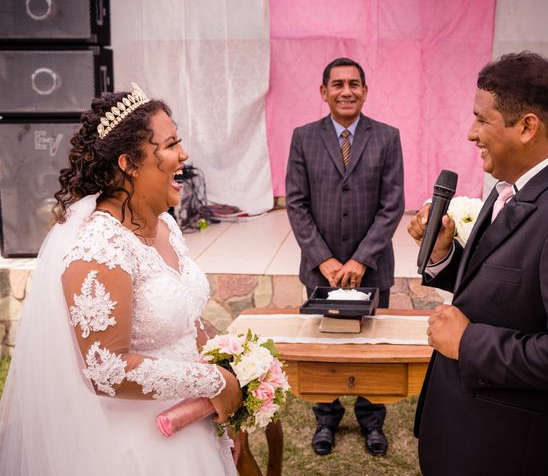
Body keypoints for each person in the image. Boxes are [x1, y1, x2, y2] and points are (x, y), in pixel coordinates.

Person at [0, 84, 243, 475]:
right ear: (129, 163)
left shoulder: (164, 223)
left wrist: (230, 369)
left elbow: (185, 319)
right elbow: (106, 368)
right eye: (170, 144)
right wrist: (212, 381)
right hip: (136, 446)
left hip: (190, 419)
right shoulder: (100, 247)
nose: (184, 155)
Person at [408, 51, 548, 475]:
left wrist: (468, 343)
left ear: (528, 126)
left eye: (482, 120)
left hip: (514, 453)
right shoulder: (511, 186)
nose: (471, 134)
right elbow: (508, 289)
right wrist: (443, 253)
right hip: (470, 434)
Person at [285, 57, 405, 456]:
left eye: (354, 83)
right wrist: (324, 260)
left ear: (365, 91)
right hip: (320, 270)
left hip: (372, 269)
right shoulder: (303, 137)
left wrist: (360, 260)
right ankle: (326, 418)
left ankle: (373, 422)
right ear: (324, 92)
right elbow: (297, 205)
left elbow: (392, 206)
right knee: (325, 348)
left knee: (372, 347)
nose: (346, 91)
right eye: (337, 84)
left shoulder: (387, 138)